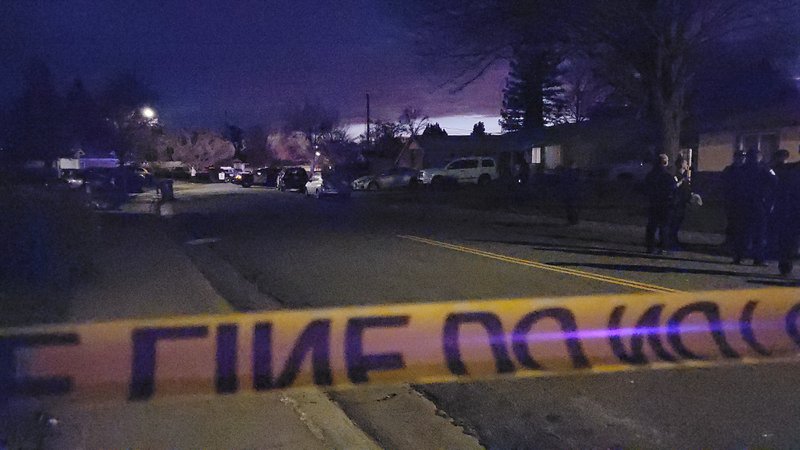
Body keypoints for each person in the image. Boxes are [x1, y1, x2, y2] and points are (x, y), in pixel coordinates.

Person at [732, 148, 777, 265]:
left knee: (742, 231)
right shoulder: (764, 169)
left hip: (743, 204)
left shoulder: (740, 169)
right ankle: (758, 258)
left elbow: (734, 187)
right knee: (759, 232)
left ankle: (738, 257)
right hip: (759, 204)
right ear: (759, 157)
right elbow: (775, 182)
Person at [774, 147, 800, 275]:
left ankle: (786, 264)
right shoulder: (791, 170)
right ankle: (785, 265)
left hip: (791, 209)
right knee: (789, 240)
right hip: (793, 209)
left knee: (790, 240)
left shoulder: (791, 169)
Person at [644, 153, 676, 254]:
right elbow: (672, 189)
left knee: (652, 226)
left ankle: (650, 247)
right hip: (665, 204)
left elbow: (645, 188)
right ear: (665, 162)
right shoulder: (667, 176)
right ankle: (663, 247)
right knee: (664, 226)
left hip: (653, 203)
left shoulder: (650, 175)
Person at [721, 150, 747, 246]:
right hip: (731, 199)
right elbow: (724, 183)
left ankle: (739, 242)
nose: (742, 159)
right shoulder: (729, 170)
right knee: (731, 221)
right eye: (740, 157)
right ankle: (729, 241)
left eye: (743, 157)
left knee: (742, 222)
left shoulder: (746, 170)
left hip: (742, 200)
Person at [669, 156, 692, 249]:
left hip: (682, 203)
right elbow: (674, 187)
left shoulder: (684, 176)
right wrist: (682, 181)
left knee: (678, 222)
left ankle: (674, 239)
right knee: (675, 222)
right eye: (685, 163)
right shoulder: (676, 176)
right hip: (676, 203)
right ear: (682, 164)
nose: (687, 165)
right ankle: (671, 240)